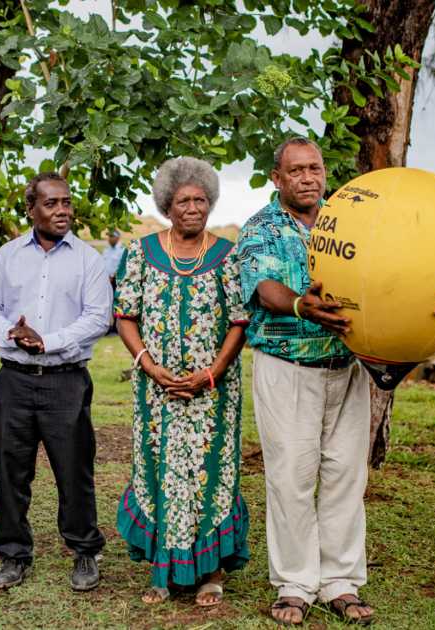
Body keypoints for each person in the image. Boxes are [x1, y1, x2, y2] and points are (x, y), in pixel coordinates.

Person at [235, 137, 376, 625]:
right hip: (288, 368)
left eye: (314, 168)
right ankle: (295, 584)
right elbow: (266, 289)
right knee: (292, 478)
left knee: (344, 477)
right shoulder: (261, 228)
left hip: (348, 368)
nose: (308, 178)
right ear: (278, 178)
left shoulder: (348, 222)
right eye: (296, 170)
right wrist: (302, 306)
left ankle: (341, 581)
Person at [113, 157, 250, 606]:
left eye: (200, 199)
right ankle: (163, 571)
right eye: (182, 201)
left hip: (213, 392)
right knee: (160, 471)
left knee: (210, 473)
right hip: (156, 390)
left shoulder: (228, 256)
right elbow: (125, 316)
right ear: (167, 206)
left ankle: (210, 574)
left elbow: (239, 322)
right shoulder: (141, 252)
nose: (193, 207)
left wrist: (211, 373)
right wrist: (150, 366)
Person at [0, 172, 112, 592]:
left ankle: (84, 550)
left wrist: (46, 342)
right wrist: (10, 334)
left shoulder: (89, 259)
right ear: (31, 209)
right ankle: (13, 554)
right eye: (51, 203)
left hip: (66, 381)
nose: (62, 211)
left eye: (66, 203)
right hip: (14, 381)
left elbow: (97, 318)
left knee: (74, 471)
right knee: (11, 472)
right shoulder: (8, 255)